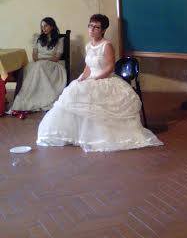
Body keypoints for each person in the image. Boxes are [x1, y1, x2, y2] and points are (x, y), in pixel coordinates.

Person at [37, 14, 162, 152]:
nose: (92, 29)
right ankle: (74, 133)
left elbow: (110, 67)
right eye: (90, 26)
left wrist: (95, 79)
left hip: (105, 79)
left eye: (96, 27)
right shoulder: (88, 46)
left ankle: (99, 136)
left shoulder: (106, 45)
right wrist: (81, 79)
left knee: (93, 97)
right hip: (91, 78)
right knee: (72, 92)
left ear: (103, 30)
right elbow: (88, 67)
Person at [11, 17, 67, 112]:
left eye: (46, 26)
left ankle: (42, 99)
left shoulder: (59, 40)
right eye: (42, 26)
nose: (43, 28)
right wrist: (39, 60)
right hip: (38, 63)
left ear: (52, 26)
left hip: (52, 64)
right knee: (28, 68)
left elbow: (56, 58)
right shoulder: (38, 38)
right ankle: (27, 97)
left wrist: (43, 59)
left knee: (39, 66)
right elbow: (34, 56)